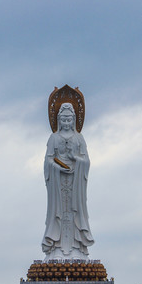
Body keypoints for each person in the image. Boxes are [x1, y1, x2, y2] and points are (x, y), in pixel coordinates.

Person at [42, 103, 94, 260]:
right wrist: (57, 168)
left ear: (74, 120)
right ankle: (56, 247)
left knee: (75, 212)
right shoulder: (54, 138)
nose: (66, 123)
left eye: (68, 120)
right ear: (58, 120)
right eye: (63, 120)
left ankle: (76, 247)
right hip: (58, 183)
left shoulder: (79, 138)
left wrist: (74, 159)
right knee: (58, 212)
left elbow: (86, 161)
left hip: (75, 183)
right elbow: (47, 161)